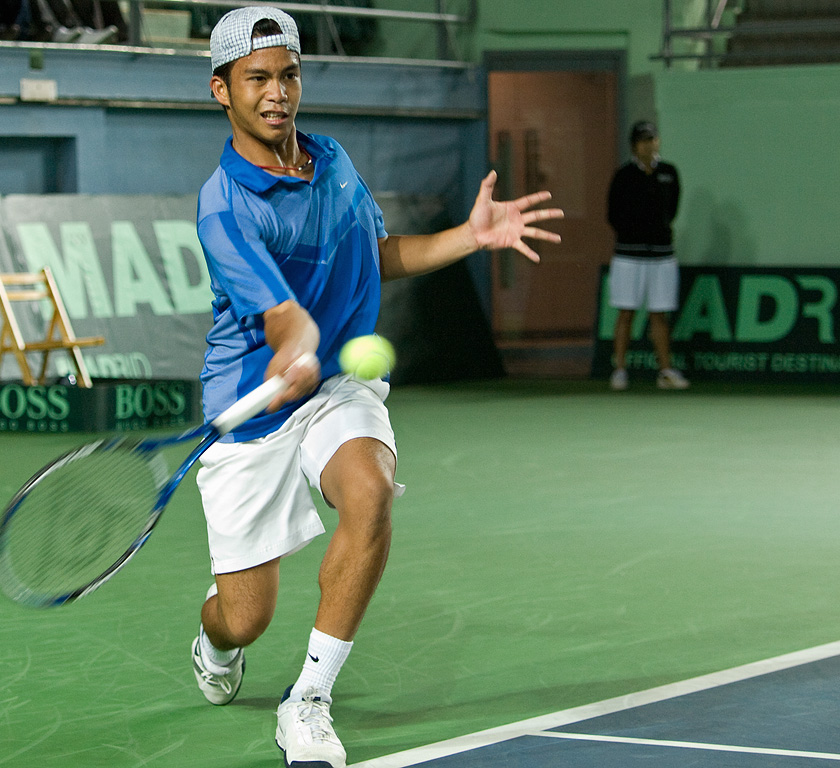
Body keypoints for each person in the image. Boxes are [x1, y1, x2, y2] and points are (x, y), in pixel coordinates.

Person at [191, 7, 563, 767]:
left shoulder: (333, 162)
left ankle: (308, 701)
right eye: (256, 79)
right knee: (245, 616)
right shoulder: (224, 204)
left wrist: (469, 237)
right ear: (221, 90)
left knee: (369, 491)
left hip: (334, 386)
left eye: (289, 74)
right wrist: (296, 343)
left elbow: (379, 254)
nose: (276, 92)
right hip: (253, 404)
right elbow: (281, 317)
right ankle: (214, 640)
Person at [606, 120, 690, 391]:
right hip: (628, 256)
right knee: (626, 313)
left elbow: (672, 209)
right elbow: (613, 214)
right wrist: (634, 234)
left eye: (652, 139)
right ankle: (620, 370)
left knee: (659, 315)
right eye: (643, 140)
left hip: (662, 256)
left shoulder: (669, 173)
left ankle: (665, 371)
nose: (649, 145)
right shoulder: (623, 175)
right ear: (634, 145)